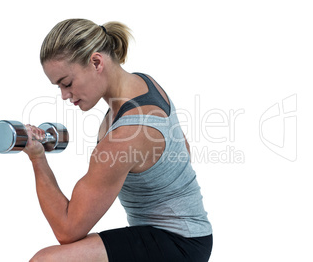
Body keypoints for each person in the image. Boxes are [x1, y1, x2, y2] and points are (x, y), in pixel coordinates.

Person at [25, 18, 213, 262]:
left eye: (67, 83)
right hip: (190, 236)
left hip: (180, 244)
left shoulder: (126, 136)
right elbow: (183, 149)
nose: (64, 95)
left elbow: (67, 229)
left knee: (46, 260)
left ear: (96, 62)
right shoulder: (143, 84)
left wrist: (37, 157)